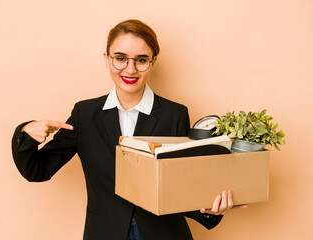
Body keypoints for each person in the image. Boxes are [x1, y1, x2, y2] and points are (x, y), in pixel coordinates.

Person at [12, 19, 243, 240]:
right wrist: (26, 133)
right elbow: (37, 171)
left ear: (154, 61)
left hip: (164, 234)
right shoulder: (85, 114)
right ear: (106, 58)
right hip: (105, 233)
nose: (130, 69)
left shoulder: (175, 114)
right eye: (120, 58)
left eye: (141, 60)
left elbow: (182, 185)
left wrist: (210, 210)